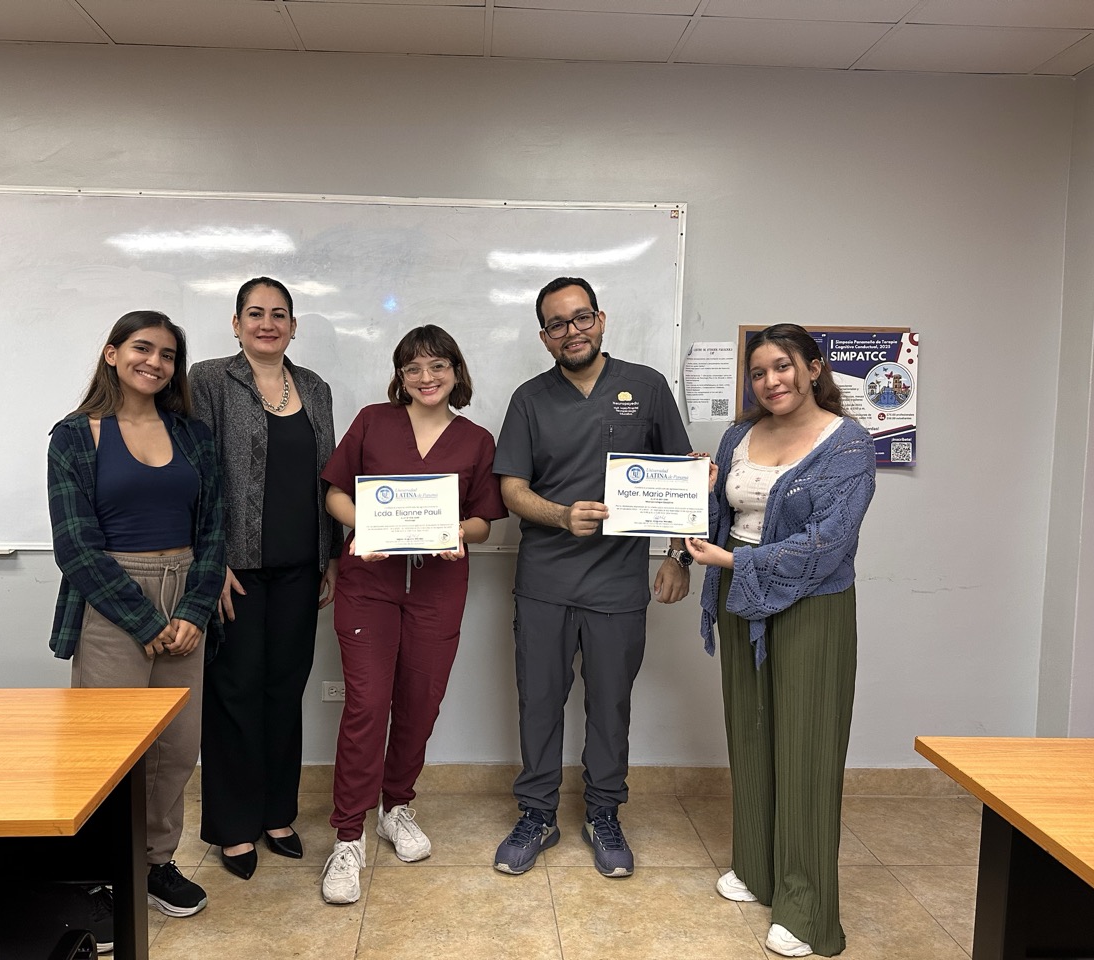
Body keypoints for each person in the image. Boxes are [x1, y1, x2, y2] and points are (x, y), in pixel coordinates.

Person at [491, 276, 693, 879]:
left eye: (581, 318)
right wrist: (559, 515)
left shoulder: (647, 387)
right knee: (540, 704)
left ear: (600, 319)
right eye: (557, 324)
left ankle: (604, 813)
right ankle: (537, 814)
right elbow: (510, 490)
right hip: (546, 579)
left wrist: (679, 557)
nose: (571, 331)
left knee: (611, 704)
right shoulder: (529, 399)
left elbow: (680, 478)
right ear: (544, 337)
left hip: (618, 585)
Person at [686, 323, 876, 958]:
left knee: (807, 749)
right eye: (760, 372)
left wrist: (736, 564)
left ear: (814, 369)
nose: (772, 381)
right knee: (752, 731)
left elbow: (829, 541)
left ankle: (807, 906)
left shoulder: (845, 444)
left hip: (811, 605)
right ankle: (758, 868)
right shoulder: (739, 434)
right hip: (737, 593)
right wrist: (698, 487)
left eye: (784, 367)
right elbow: (720, 514)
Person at [317, 325, 507, 904]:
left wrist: (456, 532)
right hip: (368, 585)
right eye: (413, 368)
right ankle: (348, 837)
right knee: (368, 705)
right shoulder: (373, 420)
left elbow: (482, 520)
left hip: (438, 587)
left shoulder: (475, 439)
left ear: (456, 371)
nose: (426, 378)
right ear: (399, 376)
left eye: (437, 366)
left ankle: (396, 806)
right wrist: (363, 527)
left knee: (421, 703)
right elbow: (335, 493)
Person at [47, 310, 224, 923]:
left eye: (168, 355)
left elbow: (213, 531)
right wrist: (146, 623)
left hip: (186, 594)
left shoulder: (193, 435)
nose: (155, 362)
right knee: (110, 750)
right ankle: (103, 871)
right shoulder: (75, 435)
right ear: (112, 353)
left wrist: (195, 609)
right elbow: (75, 546)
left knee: (176, 748)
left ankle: (155, 862)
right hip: (111, 601)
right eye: (142, 349)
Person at [190, 277, 342, 880]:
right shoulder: (207, 380)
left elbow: (328, 478)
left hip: (301, 566)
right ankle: (232, 825)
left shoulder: (315, 388)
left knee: (285, 688)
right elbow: (194, 469)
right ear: (235, 323)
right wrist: (212, 557)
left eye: (279, 314)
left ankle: (277, 813)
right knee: (234, 693)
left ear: (294, 326)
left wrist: (329, 556)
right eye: (254, 313)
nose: (267, 323)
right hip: (237, 569)